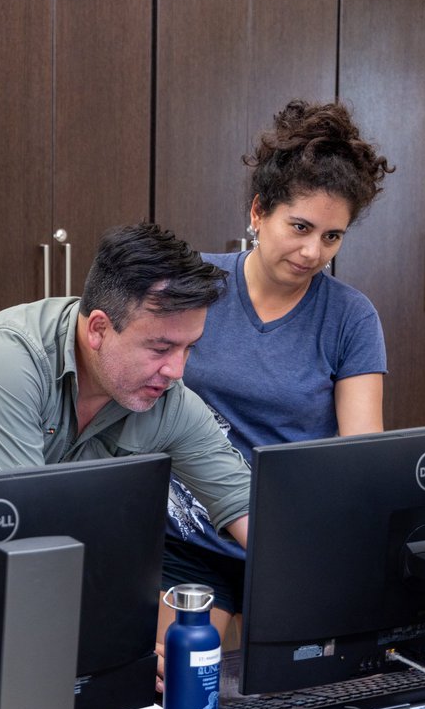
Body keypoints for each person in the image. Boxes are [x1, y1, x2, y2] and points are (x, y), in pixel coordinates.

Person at [0, 222, 251, 551]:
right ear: (98, 328)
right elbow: (20, 528)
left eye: (188, 349)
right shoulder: (6, 357)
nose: (176, 370)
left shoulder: (165, 396)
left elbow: (250, 512)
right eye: (161, 348)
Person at [161, 98, 393, 645]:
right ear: (258, 211)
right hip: (189, 543)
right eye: (301, 226)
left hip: (297, 546)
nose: (314, 251)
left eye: (332, 237)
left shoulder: (350, 316)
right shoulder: (193, 286)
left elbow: (362, 457)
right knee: (185, 684)